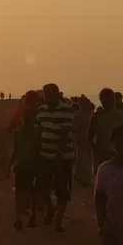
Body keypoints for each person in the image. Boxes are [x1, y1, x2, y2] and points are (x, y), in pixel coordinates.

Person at [35, 82, 76, 231]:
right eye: (46, 94)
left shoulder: (66, 109)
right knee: (41, 186)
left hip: (63, 156)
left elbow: (65, 133)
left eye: (50, 94)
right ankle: (50, 207)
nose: (48, 97)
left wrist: (59, 153)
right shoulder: (42, 110)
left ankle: (59, 221)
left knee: (62, 189)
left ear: (57, 94)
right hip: (44, 154)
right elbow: (38, 131)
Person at [9, 91, 42, 229]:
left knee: (29, 191)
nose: (25, 119)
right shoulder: (19, 133)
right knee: (22, 191)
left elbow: (38, 150)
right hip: (22, 166)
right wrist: (9, 165)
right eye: (24, 117)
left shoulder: (36, 133)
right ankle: (21, 216)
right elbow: (15, 151)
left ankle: (29, 215)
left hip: (30, 166)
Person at [88, 88, 122, 173]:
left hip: (118, 154)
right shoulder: (96, 116)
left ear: (113, 99)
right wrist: (96, 150)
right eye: (103, 101)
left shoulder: (122, 115)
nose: (106, 104)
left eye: (109, 101)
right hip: (101, 154)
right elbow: (89, 137)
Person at [73, 94, 95, 185]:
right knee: (82, 159)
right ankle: (81, 177)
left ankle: (85, 177)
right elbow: (74, 126)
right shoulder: (77, 114)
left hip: (88, 138)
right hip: (80, 139)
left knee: (87, 159)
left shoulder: (91, 114)